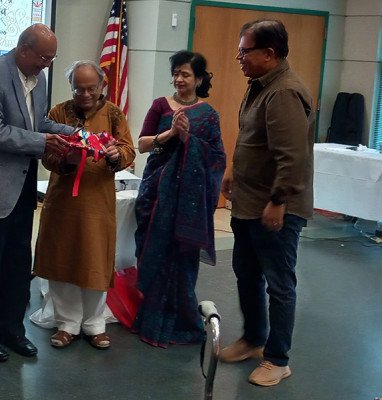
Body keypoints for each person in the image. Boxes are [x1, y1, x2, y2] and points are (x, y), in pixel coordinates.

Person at [0, 23, 74, 362]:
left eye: (52, 59)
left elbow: (37, 124)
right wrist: (42, 142)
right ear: (23, 49)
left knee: (17, 263)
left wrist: (74, 134)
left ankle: (12, 332)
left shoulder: (39, 78)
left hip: (24, 185)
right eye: (43, 58)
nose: (47, 65)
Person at [219, 20, 314, 387]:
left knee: (279, 283)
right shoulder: (259, 84)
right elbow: (251, 137)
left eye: (245, 51)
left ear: (269, 54)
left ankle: (277, 359)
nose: (239, 58)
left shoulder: (285, 92)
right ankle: (253, 339)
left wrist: (278, 202)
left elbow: (292, 158)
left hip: (276, 207)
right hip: (249, 202)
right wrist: (233, 169)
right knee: (247, 272)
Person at [33, 60, 135, 350]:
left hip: (97, 202)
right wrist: (66, 158)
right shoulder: (58, 113)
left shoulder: (113, 114)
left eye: (91, 88)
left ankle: (94, 324)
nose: (86, 94)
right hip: (63, 201)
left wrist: (115, 154)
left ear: (102, 85)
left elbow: (128, 150)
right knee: (61, 259)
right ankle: (67, 323)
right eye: (79, 89)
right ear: (71, 87)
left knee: (95, 261)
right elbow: (46, 153)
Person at [133, 50, 226, 348]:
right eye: (175, 73)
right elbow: (142, 144)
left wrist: (188, 139)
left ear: (199, 79)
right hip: (156, 192)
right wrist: (171, 133)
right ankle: (149, 318)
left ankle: (182, 322)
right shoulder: (160, 105)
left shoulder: (209, 115)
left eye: (185, 74)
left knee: (182, 259)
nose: (179, 79)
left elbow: (217, 158)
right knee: (153, 252)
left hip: (188, 202)